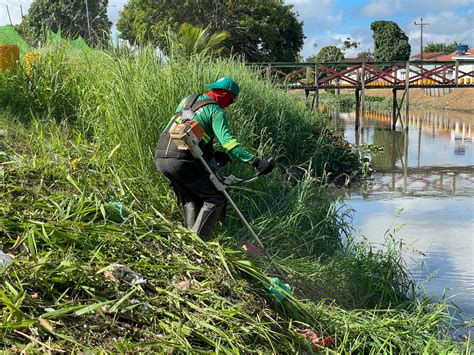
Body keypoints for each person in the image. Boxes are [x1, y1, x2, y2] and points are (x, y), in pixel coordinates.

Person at [155, 77, 274, 240]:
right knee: (216, 198)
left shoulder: (188, 100)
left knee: (191, 194)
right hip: (183, 161)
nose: (230, 104)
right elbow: (230, 144)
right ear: (224, 94)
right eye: (231, 100)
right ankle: (198, 244)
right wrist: (257, 162)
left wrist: (210, 154)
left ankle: (187, 240)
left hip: (161, 155)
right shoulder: (216, 110)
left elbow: (187, 129)